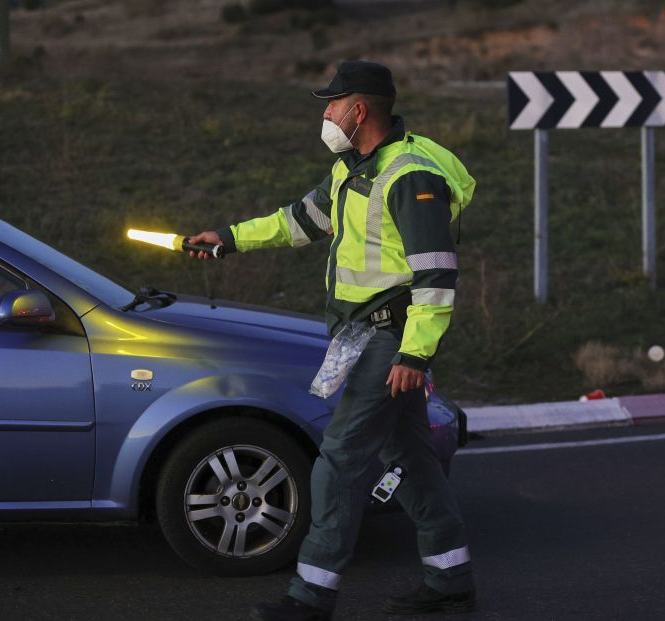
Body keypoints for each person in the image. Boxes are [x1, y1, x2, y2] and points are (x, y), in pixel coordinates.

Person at [188, 60, 476, 621]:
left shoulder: (408, 177)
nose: (324, 113)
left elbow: (437, 275)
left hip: (389, 340)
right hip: (367, 334)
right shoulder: (354, 169)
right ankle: (452, 578)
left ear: (358, 110)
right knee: (412, 458)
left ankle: (311, 597)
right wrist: (227, 240)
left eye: (331, 103)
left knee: (339, 461)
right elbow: (298, 220)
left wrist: (416, 354)